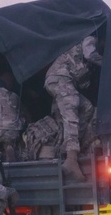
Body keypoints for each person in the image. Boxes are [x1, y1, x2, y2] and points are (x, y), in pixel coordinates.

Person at [44, 35, 102, 182]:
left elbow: (83, 83)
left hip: (64, 80)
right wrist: (108, 64)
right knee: (72, 111)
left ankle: (68, 149)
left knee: (88, 108)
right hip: (60, 78)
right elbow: (90, 55)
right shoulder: (90, 38)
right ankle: (71, 158)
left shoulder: (80, 59)